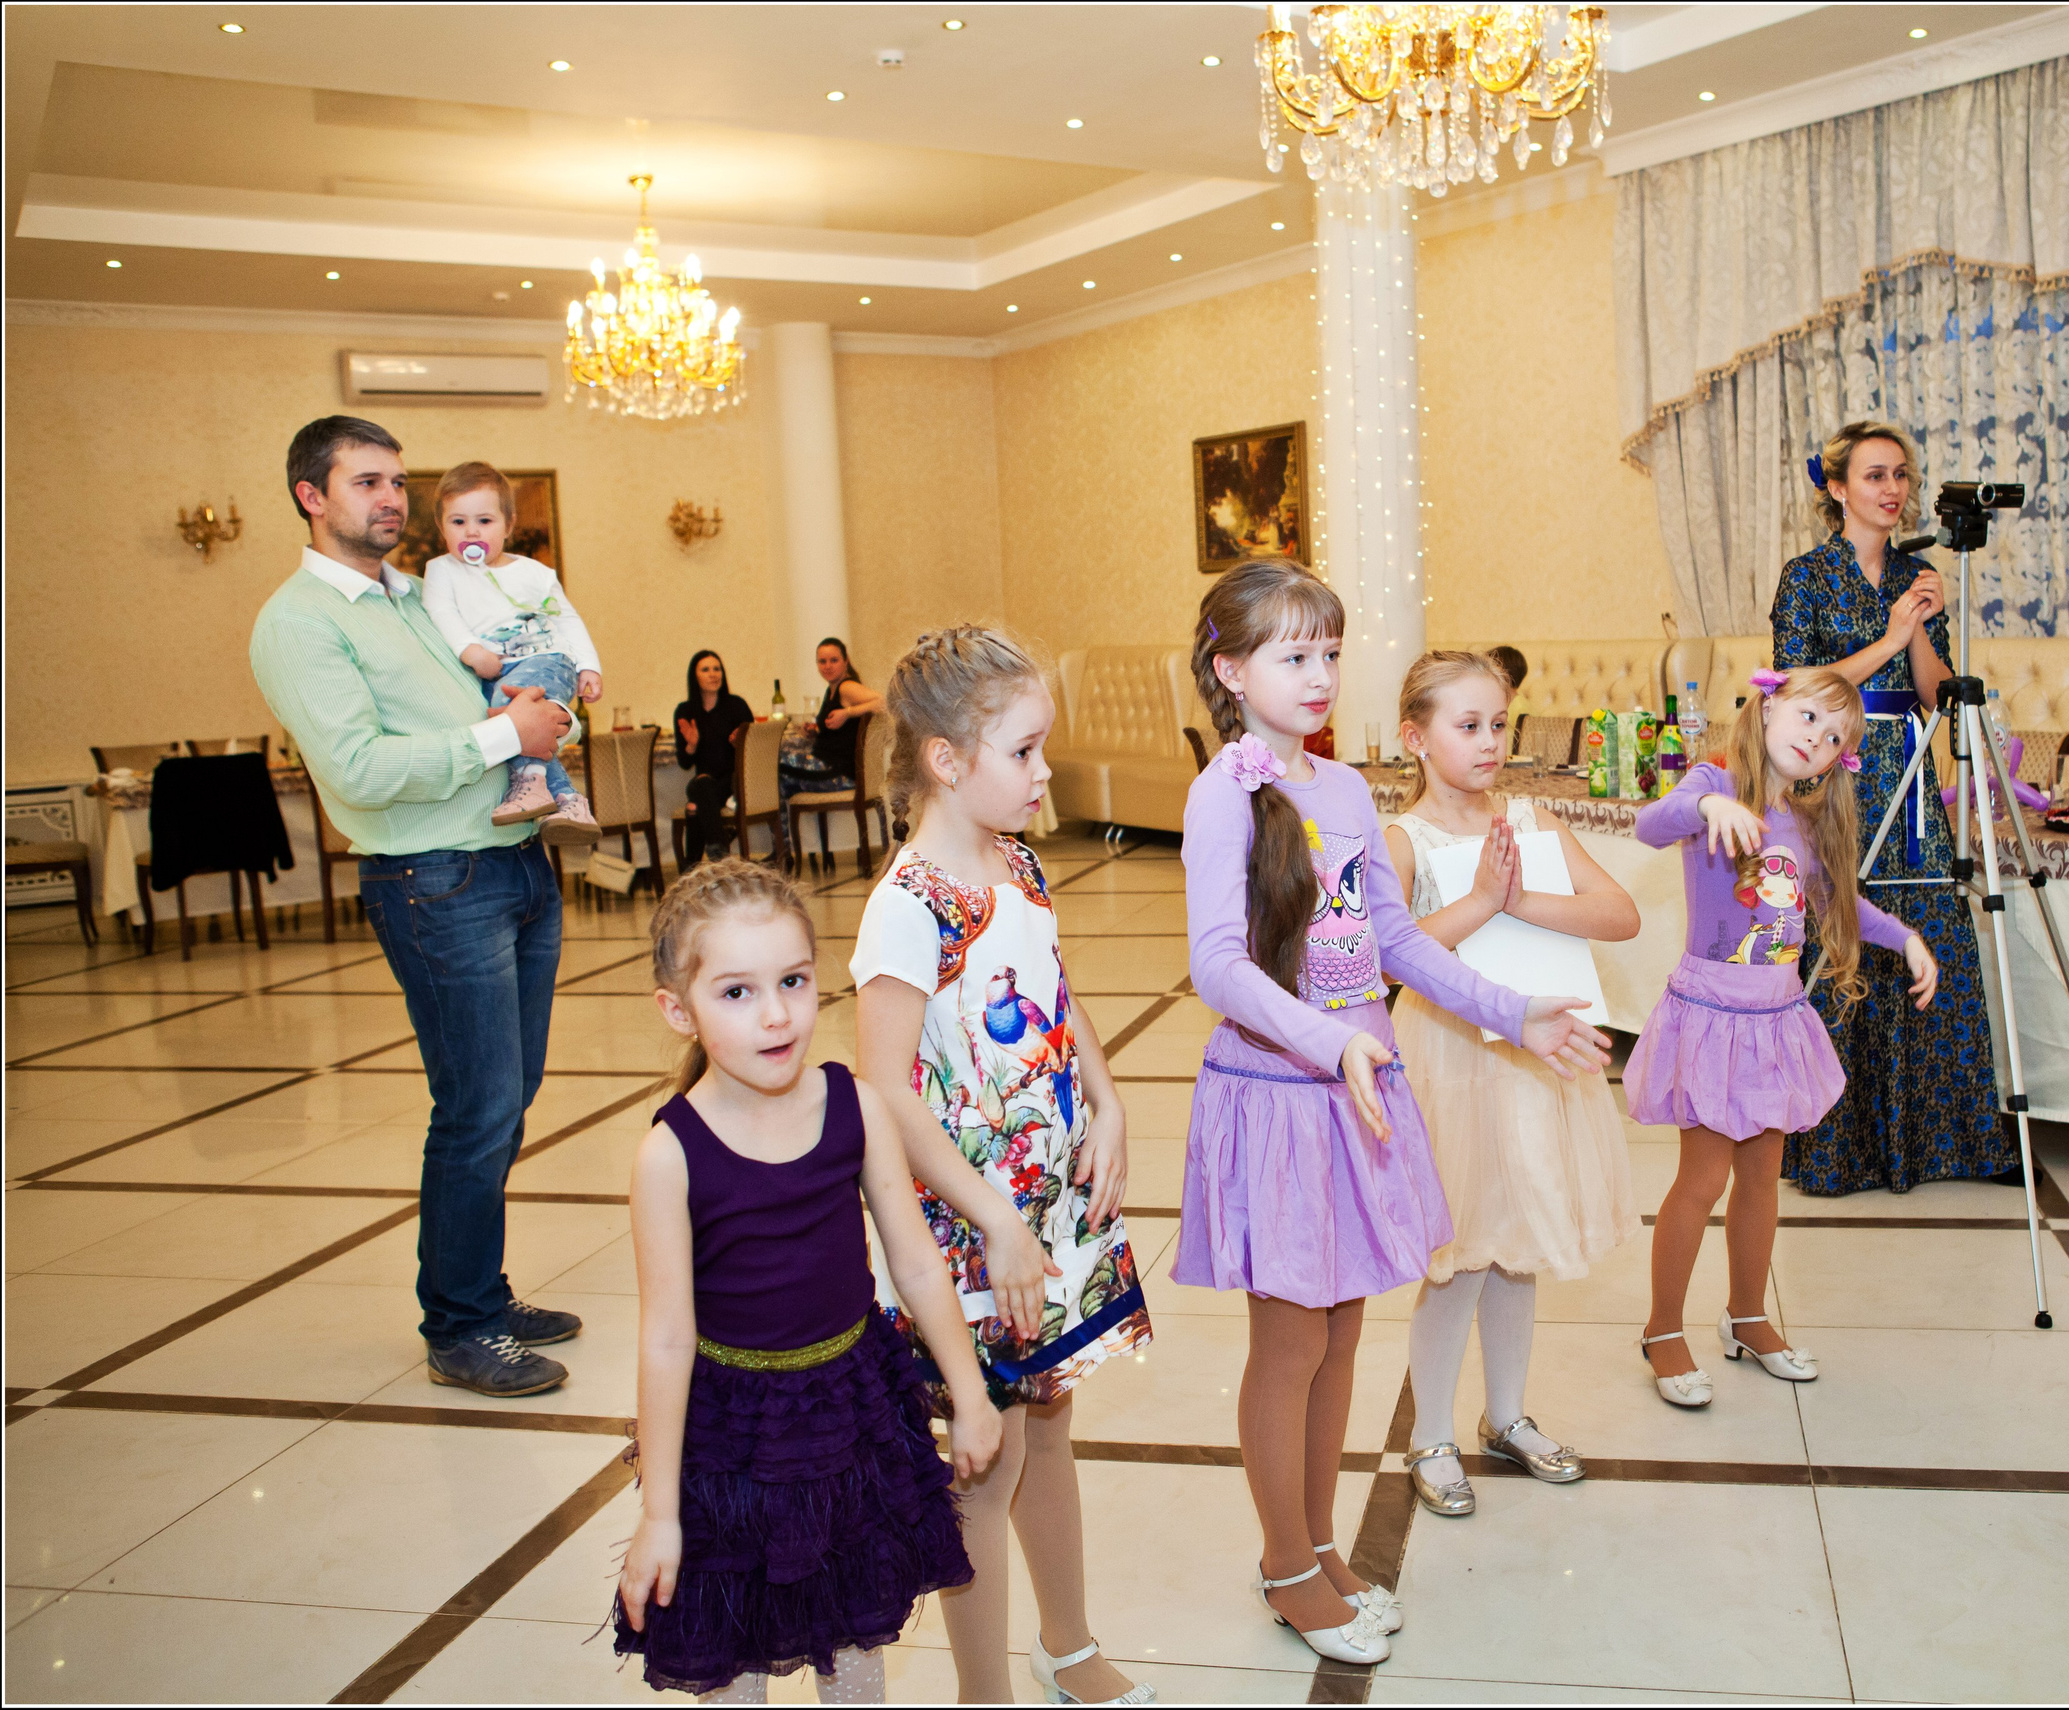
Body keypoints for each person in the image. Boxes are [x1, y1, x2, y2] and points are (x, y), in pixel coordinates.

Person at [1175, 560, 1610, 1666]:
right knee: (1289, 1344)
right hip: (1282, 1096)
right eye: (1293, 655)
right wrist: (1334, 1042)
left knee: (1340, 1334)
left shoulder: (1340, 790)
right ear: (1232, 671)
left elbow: (1393, 940)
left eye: (1329, 651)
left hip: (1354, 1092)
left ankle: (1319, 1544)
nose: (1320, 674)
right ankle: (1285, 1567)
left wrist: (1514, 1015)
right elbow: (1219, 965)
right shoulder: (1222, 793)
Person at [851, 626, 1155, 1707]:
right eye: (1023, 752)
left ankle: (1066, 1645)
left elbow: (1057, 994)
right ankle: (984, 1693)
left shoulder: (1018, 862)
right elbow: (885, 1090)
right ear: (945, 759)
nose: (1043, 773)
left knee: (1049, 1426)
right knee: (987, 1463)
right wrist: (994, 1218)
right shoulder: (908, 904)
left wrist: (1108, 1099)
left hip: (1046, 1204)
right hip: (973, 1228)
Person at [249, 415, 580, 1398]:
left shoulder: (423, 593)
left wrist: (543, 707)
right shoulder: (300, 621)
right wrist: (504, 738)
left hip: (517, 862)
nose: (391, 498)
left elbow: (502, 678)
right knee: (476, 1106)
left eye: (397, 481)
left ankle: (482, 1289)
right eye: (366, 482)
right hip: (434, 881)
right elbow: (356, 769)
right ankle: (461, 1326)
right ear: (312, 496)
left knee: (509, 1098)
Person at [614, 859, 993, 1703]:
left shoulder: (854, 1105)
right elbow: (667, 1338)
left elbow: (915, 1259)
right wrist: (661, 1514)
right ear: (679, 1010)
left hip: (848, 1409)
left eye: (792, 980)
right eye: (737, 993)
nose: (777, 1014)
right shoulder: (669, 1155)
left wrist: (968, 1392)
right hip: (730, 1433)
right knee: (735, 1651)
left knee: (856, 1635)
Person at [1628, 666, 1939, 1405]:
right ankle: (1662, 1330)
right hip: (1712, 1015)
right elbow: (1650, 824)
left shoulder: (1805, 823)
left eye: (1833, 737)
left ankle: (1746, 1317)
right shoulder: (1713, 783)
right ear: (1768, 709)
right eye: (1807, 717)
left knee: (1762, 1179)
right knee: (1701, 1180)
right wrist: (1707, 801)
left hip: (1774, 1018)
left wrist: (1906, 939)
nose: (1816, 739)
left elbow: (1840, 905)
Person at [1380, 651, 1641, 1519]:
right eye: (1468, 726)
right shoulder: (1402, 839)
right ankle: (1430, 1435)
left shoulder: (1530, 821)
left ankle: (1507, 1416)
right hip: (1451, 1063)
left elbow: (1619, 913)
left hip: (1532, 1063)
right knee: (1459, 1255)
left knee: (1517, 1244)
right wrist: (1482, 900)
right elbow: (1395, 957)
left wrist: (1518, 897)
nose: (1489, 741)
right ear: (1416, 738)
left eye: (1498, 723)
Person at [1770, 420, 2015, 1194]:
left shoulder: (1917, 574)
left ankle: (1948, 1141)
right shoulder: (1806, 577)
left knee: (1930, 923)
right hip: (1835, 772)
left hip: (1908, 773)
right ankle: (1836, 1148)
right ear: (1839, 488)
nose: (1893, 489)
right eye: (1875, 475)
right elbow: (1796, 687)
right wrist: (1891, 634)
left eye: (1901, 475)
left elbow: (1935, 690)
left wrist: (1921, 634)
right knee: (1843, 936)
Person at [419, 462, 602, 843]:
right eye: (458, 522)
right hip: (497, 671)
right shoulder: (441, 570)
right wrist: (471, 651)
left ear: (509, 524)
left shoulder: (535, 574)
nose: (471, 531)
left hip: (547, 661)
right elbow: (441, 612)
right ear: (441, 526)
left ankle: (531, 785)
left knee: (512, 713)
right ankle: (569, 802)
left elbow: (567, 619)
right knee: (509, 724)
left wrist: (588, 665)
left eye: (485, 521)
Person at [777, 637, 885, 863]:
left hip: (838, 773)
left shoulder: (847, 687)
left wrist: (847, 712)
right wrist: (816, 731)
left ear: (846, 661)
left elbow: (883, 702)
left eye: (833, 660)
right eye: (822, 661)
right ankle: (783, 850)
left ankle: (782, 851)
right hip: (831, 767)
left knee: (776, 763)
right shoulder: (832, 689)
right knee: (779, 780)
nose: (827, 666)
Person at [674, 650, 754, 868]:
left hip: (733, 782)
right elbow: (684, 762)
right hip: (706, 783)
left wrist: (740, 742)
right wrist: (692, 744)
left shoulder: (737, 705)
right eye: (706, 670)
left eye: (717, 669)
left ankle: (690, 871)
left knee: (694, 806)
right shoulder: (685, 710)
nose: (713, 674)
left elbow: (751, 752)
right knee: (702, 786)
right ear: (695, 676)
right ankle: (719, 851)